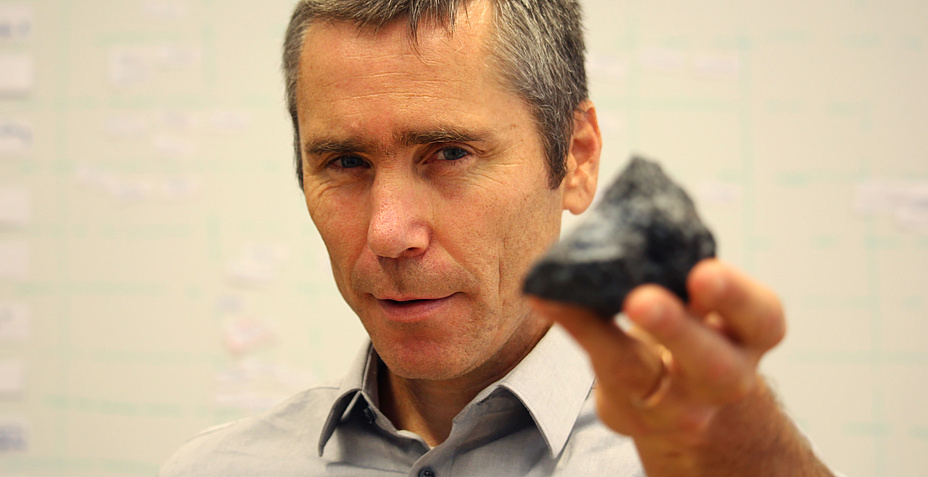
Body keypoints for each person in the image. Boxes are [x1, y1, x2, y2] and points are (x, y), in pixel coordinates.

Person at [161, 0, 840, 475]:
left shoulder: (700, 461)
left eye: (450, 153)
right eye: (345, 162)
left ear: (575, 157)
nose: (389, 232)